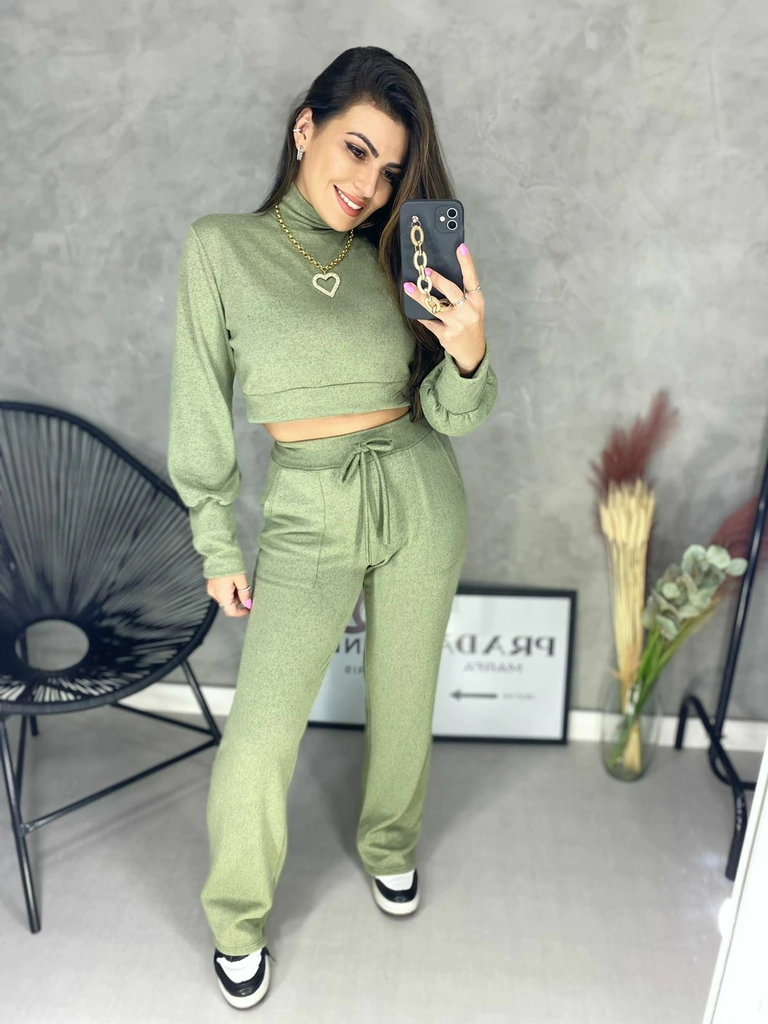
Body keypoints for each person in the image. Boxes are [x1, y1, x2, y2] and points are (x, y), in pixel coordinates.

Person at [166, 45, 498, 1009]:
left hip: (419, 486)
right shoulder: (221, 248)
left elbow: (452, 417)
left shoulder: (395, 256)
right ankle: (237, 919)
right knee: (262, 729)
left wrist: (470, 352)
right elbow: (199, 410)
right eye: (356, 150)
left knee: (404, 694)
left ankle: (390, 843)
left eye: (390, 171)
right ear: (304, 127)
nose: (368, 186)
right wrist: (216, 542)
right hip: (309, 505)